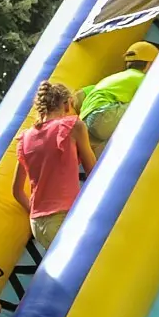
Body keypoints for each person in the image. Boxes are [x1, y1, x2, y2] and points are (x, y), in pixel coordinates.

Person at [13, 82, 98, 252]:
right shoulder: (73, 126)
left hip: (37, 223)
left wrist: (36, 211)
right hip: (62, 216)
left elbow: (16, 191)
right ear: (66, 104)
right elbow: (93, 171)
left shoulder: (25, 139)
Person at [77, 41, 159, 145]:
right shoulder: (142, 78)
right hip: (103, 116)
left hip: (86, 122)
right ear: (150, 65)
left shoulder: (116, 77)